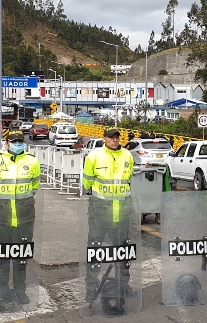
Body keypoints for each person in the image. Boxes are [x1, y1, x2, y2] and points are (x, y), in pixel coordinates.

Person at [0, 130, 41, 304]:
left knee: (21, 257)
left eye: (20, 142)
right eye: (14, 142)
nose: (18, 145)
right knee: (1, 258)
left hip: (24, 217)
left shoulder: (32, 161)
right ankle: (0, 290)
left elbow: (35, 186)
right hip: (0, 218)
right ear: (7, 143)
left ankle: (20, 290)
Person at [82, 127, 135, 302]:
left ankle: (123, 286)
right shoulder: (94, 156)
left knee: (122, 251)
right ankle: (91, 288)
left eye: (117, 137)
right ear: (104, 139)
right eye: (111, 137)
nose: (115, 140)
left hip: (122, 212)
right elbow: (87, 182)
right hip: (100, 212)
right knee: (95, 251)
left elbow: (128, 181)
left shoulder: (127, 156)